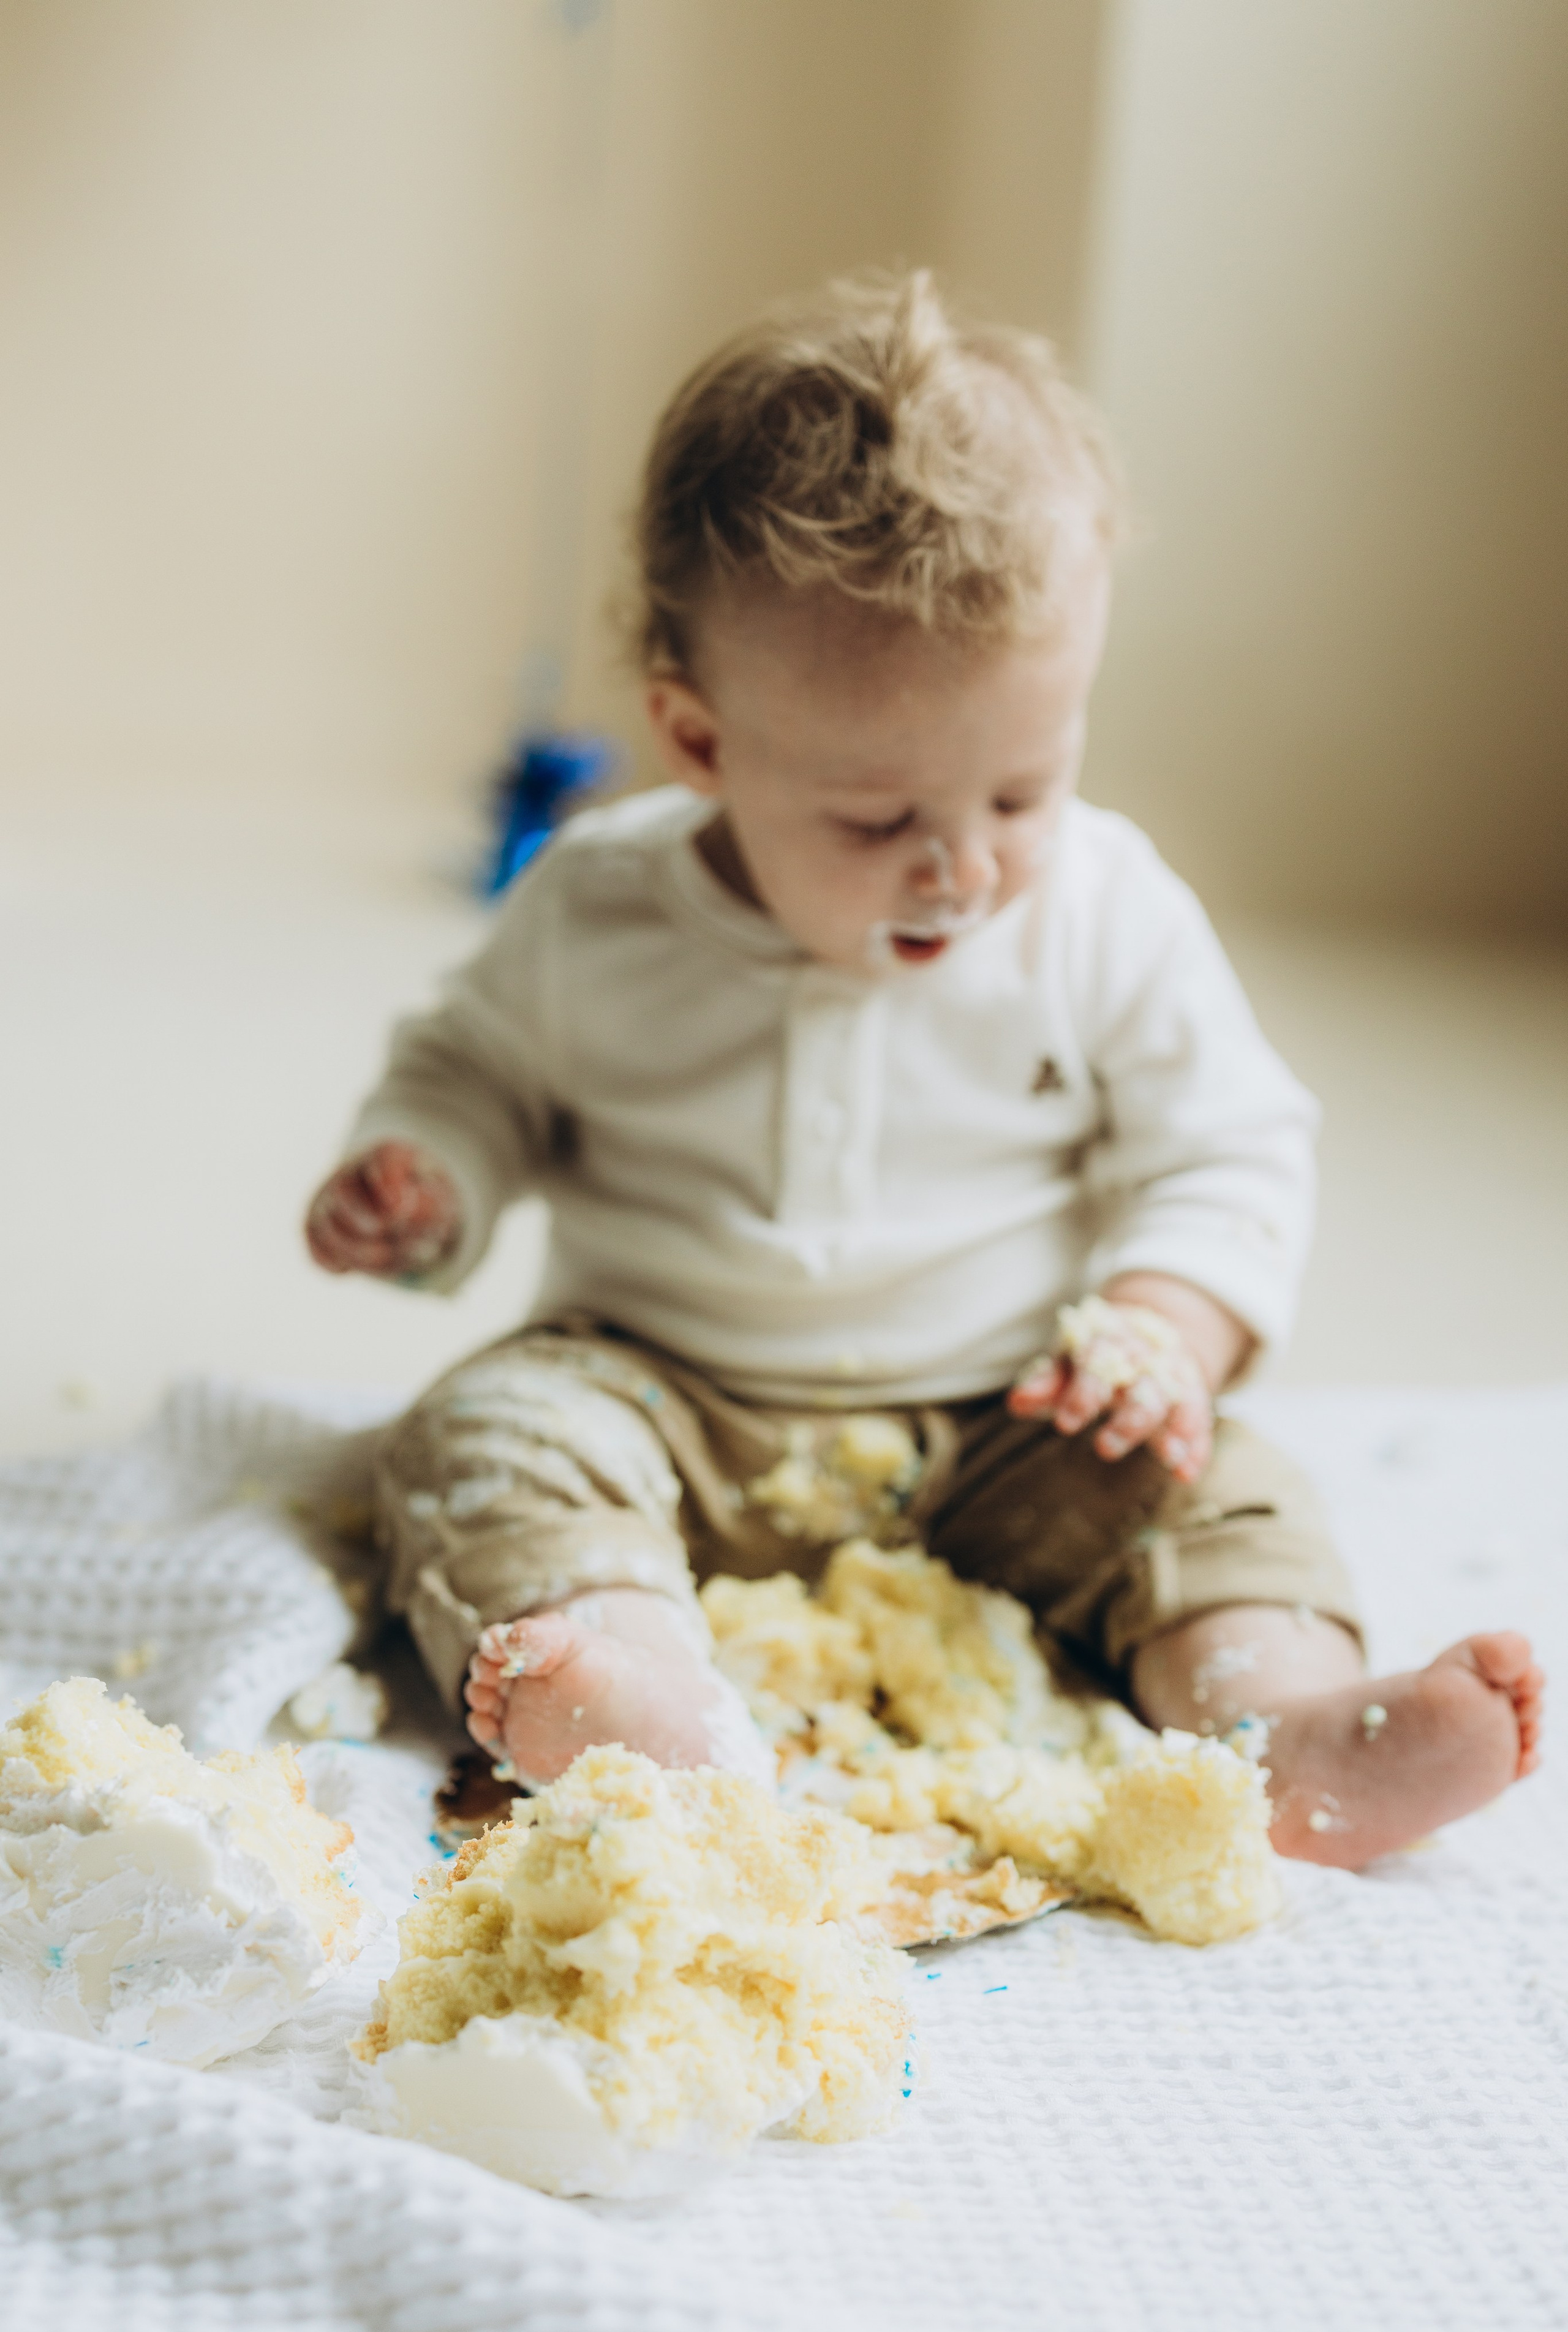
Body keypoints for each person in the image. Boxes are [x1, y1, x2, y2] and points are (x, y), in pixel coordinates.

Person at [306, 271, 1541, 1867]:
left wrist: (1166, 1331)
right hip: (667, 1399)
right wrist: (431, 1177)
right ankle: (638, 1689)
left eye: (1023, 791)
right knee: (486, 1433)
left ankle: (1276, 1720)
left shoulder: (1104, 908)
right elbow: (474, 1072)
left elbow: (1228, 1147)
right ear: (701, 742)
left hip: (1012, 1416)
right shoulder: (596, 906)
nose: (963, 870)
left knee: (1221, 1482)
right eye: (882, 821)